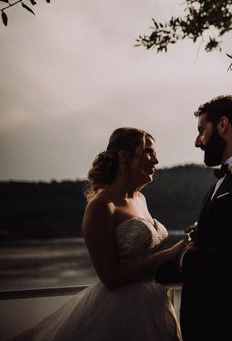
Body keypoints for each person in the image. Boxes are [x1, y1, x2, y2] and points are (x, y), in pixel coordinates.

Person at [9, 127, 185, 341]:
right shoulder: (101, 206)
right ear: (124, 156)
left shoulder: (141, 200)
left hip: (157, 303)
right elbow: (110, 277)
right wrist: (166, 255)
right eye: (148, 151)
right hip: (122, 313)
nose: (155, 160)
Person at [157, 95, 232, 341]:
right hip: (203, 325)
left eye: (202, 130)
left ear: (223, 125)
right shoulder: (220, 184)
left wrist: (186, 259)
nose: (197, 141)